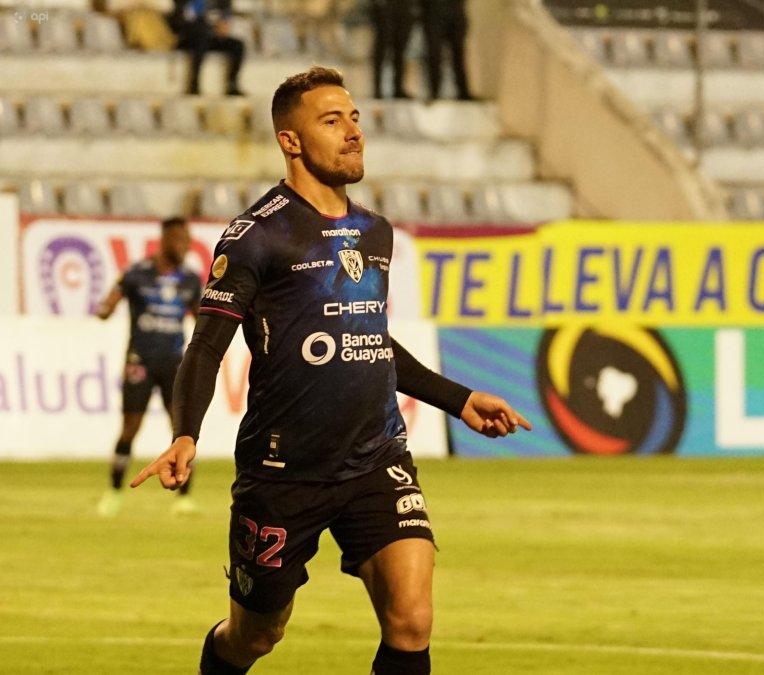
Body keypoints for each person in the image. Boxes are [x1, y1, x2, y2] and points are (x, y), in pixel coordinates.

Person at [130, 66, 530, 675]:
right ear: (291, 141)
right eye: (331, 120)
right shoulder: (256, 238)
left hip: (375, 458)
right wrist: (186, 431)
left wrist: (459, 398)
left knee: (412, 619)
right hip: (283, 473)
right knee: (257, 635)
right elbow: (206, 346)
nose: (353, 132)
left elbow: (371, 342)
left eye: (355, 118)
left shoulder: (375, 231)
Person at [95, 217, 202, 517]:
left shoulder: (190, 280)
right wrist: (105, 307)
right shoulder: (136, 274)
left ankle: (183, 498)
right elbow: (107, 304)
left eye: (187, 241)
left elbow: (203, 321)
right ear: (165, 241)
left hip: (174, 365)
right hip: (139, 363)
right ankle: (114, 493)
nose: (184, 246)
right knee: (130, 428)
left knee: (181, 431)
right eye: (178, 240)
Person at [170, 0, 246, 96]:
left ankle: (232, 85)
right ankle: (194, 84)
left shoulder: (222, 2)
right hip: (191, 38)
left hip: (212, 37)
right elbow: (181, 19)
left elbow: (225, 19)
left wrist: (222, 26)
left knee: (238, 45)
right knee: (201, 41)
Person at [420, 0, 474, 100]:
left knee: (458, 54)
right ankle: (434, 91)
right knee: (434, 55)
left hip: (456, 14)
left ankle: (463, 91)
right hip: (433, 14)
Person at [371, 0, 417, 99]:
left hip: (405, 9)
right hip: (385, 8)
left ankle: (398, 88)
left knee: (401, 51)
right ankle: (377, 89)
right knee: (381, 50)